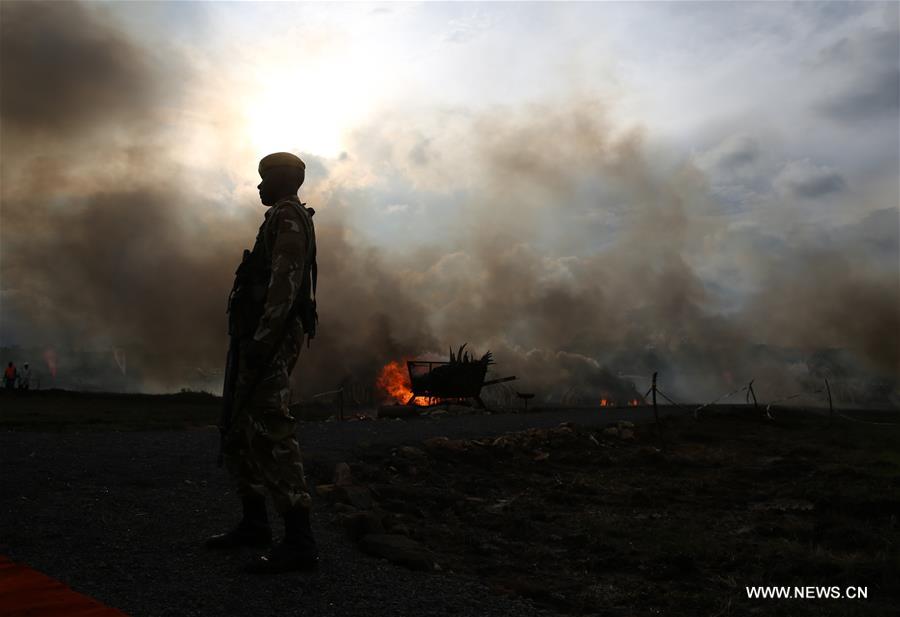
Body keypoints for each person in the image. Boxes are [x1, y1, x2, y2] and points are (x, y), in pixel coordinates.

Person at [207, 152, 319, 574]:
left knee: (271, 428)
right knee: (239, 428)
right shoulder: (279, 217)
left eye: (263, 178)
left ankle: (299, 540)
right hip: (255, 336)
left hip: (268, 338)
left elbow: (285, 281)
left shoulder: (288, 216)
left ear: (282, 179)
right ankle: (255, 523)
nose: (258, 186)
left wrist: (264, 338)